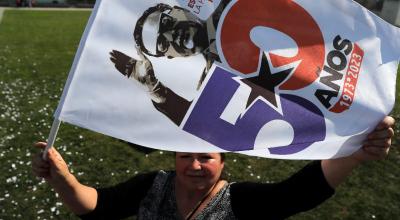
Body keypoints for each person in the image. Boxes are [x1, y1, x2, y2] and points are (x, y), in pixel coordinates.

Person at [32, 116, 395, 219]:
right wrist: (63, 179)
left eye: (205, 157)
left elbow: (297, 195)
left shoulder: (239, 201)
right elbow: (95, 206)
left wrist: (356, 154)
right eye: (185, 156)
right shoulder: (150, 186)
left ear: (223, 162)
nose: (194, 164)